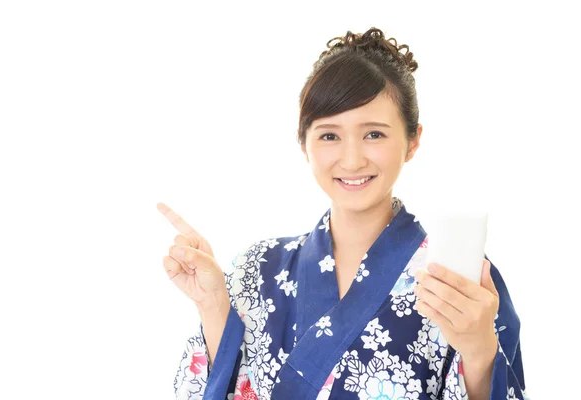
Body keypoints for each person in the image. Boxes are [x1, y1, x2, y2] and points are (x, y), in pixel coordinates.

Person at [159, 27, 528, 400]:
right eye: (329, 136)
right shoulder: (254, 269)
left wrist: (480, 353)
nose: (352, 160)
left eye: (374, 134)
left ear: (412, 140)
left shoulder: (457, 281)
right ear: (303, 143)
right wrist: (212, 305)